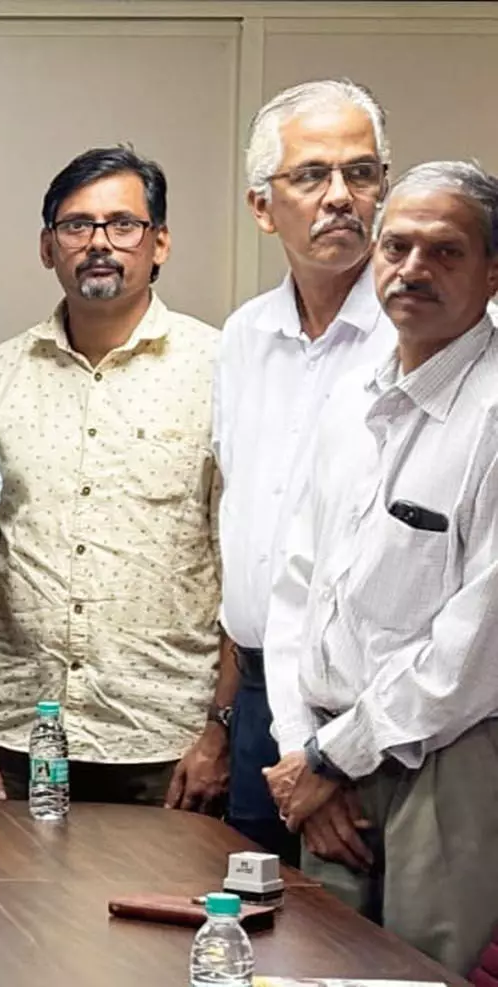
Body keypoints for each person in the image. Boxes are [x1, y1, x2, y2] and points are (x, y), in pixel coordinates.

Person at [262, 160, 498, 977]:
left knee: (420, 973)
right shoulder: (352, 395)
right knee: (318, 963)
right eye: (396, 247)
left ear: (493, 271)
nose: (413, 268)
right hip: (328, 760)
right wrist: (304, 752)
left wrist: (334, 757)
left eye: (445, 251)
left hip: (443, 761)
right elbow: (295, 588)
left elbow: (476, 646)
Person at [0, 148, 226, 809]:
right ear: (48, 247)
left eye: (123, 224)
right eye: (76, 225)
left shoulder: (218, 369)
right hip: (16, 740)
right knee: (1, 885)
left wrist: (220, 733)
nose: (99, 243)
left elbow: (242, 568)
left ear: (160, 243)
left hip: (168, 743)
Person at [216, 80, 396, 861]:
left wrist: (327, 759)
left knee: (355, 931)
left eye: (361, 173)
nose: (341, 196)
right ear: (262, 207)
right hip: (261, 698)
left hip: (374, 715)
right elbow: (244, 529)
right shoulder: (244, 336)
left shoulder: (426, 336)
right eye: (312, 175)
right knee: (253, 919)